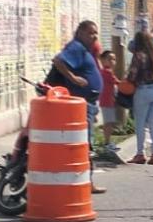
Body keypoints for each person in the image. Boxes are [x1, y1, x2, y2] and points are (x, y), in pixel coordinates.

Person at [51, 20, 106, 194]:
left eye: (96, 33)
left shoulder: (85, 50)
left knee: (86, 144)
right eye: (90, 32)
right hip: (81, 104)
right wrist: (74, 78)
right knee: (85, 145)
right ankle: (85, 182)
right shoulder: (77, 47)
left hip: (88, 104)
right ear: (80, 32)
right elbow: (59, 61)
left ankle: (86, 181)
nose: (94, 36)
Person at [125, 31, 153, 165]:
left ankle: (140, 153)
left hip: (143, 90)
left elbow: (133, 74)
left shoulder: (139, 55)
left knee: (140, 124)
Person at [97, 50, 120, 153]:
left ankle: (108, 142)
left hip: (107, 100)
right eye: (109, 59)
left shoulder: (104, 71)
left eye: (114, 59)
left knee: (109, 122)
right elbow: (117, 82)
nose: (112, 61)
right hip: (107, 101)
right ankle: (107, 143)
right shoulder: (107, 72)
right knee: (109, 123)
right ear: (102, 60)